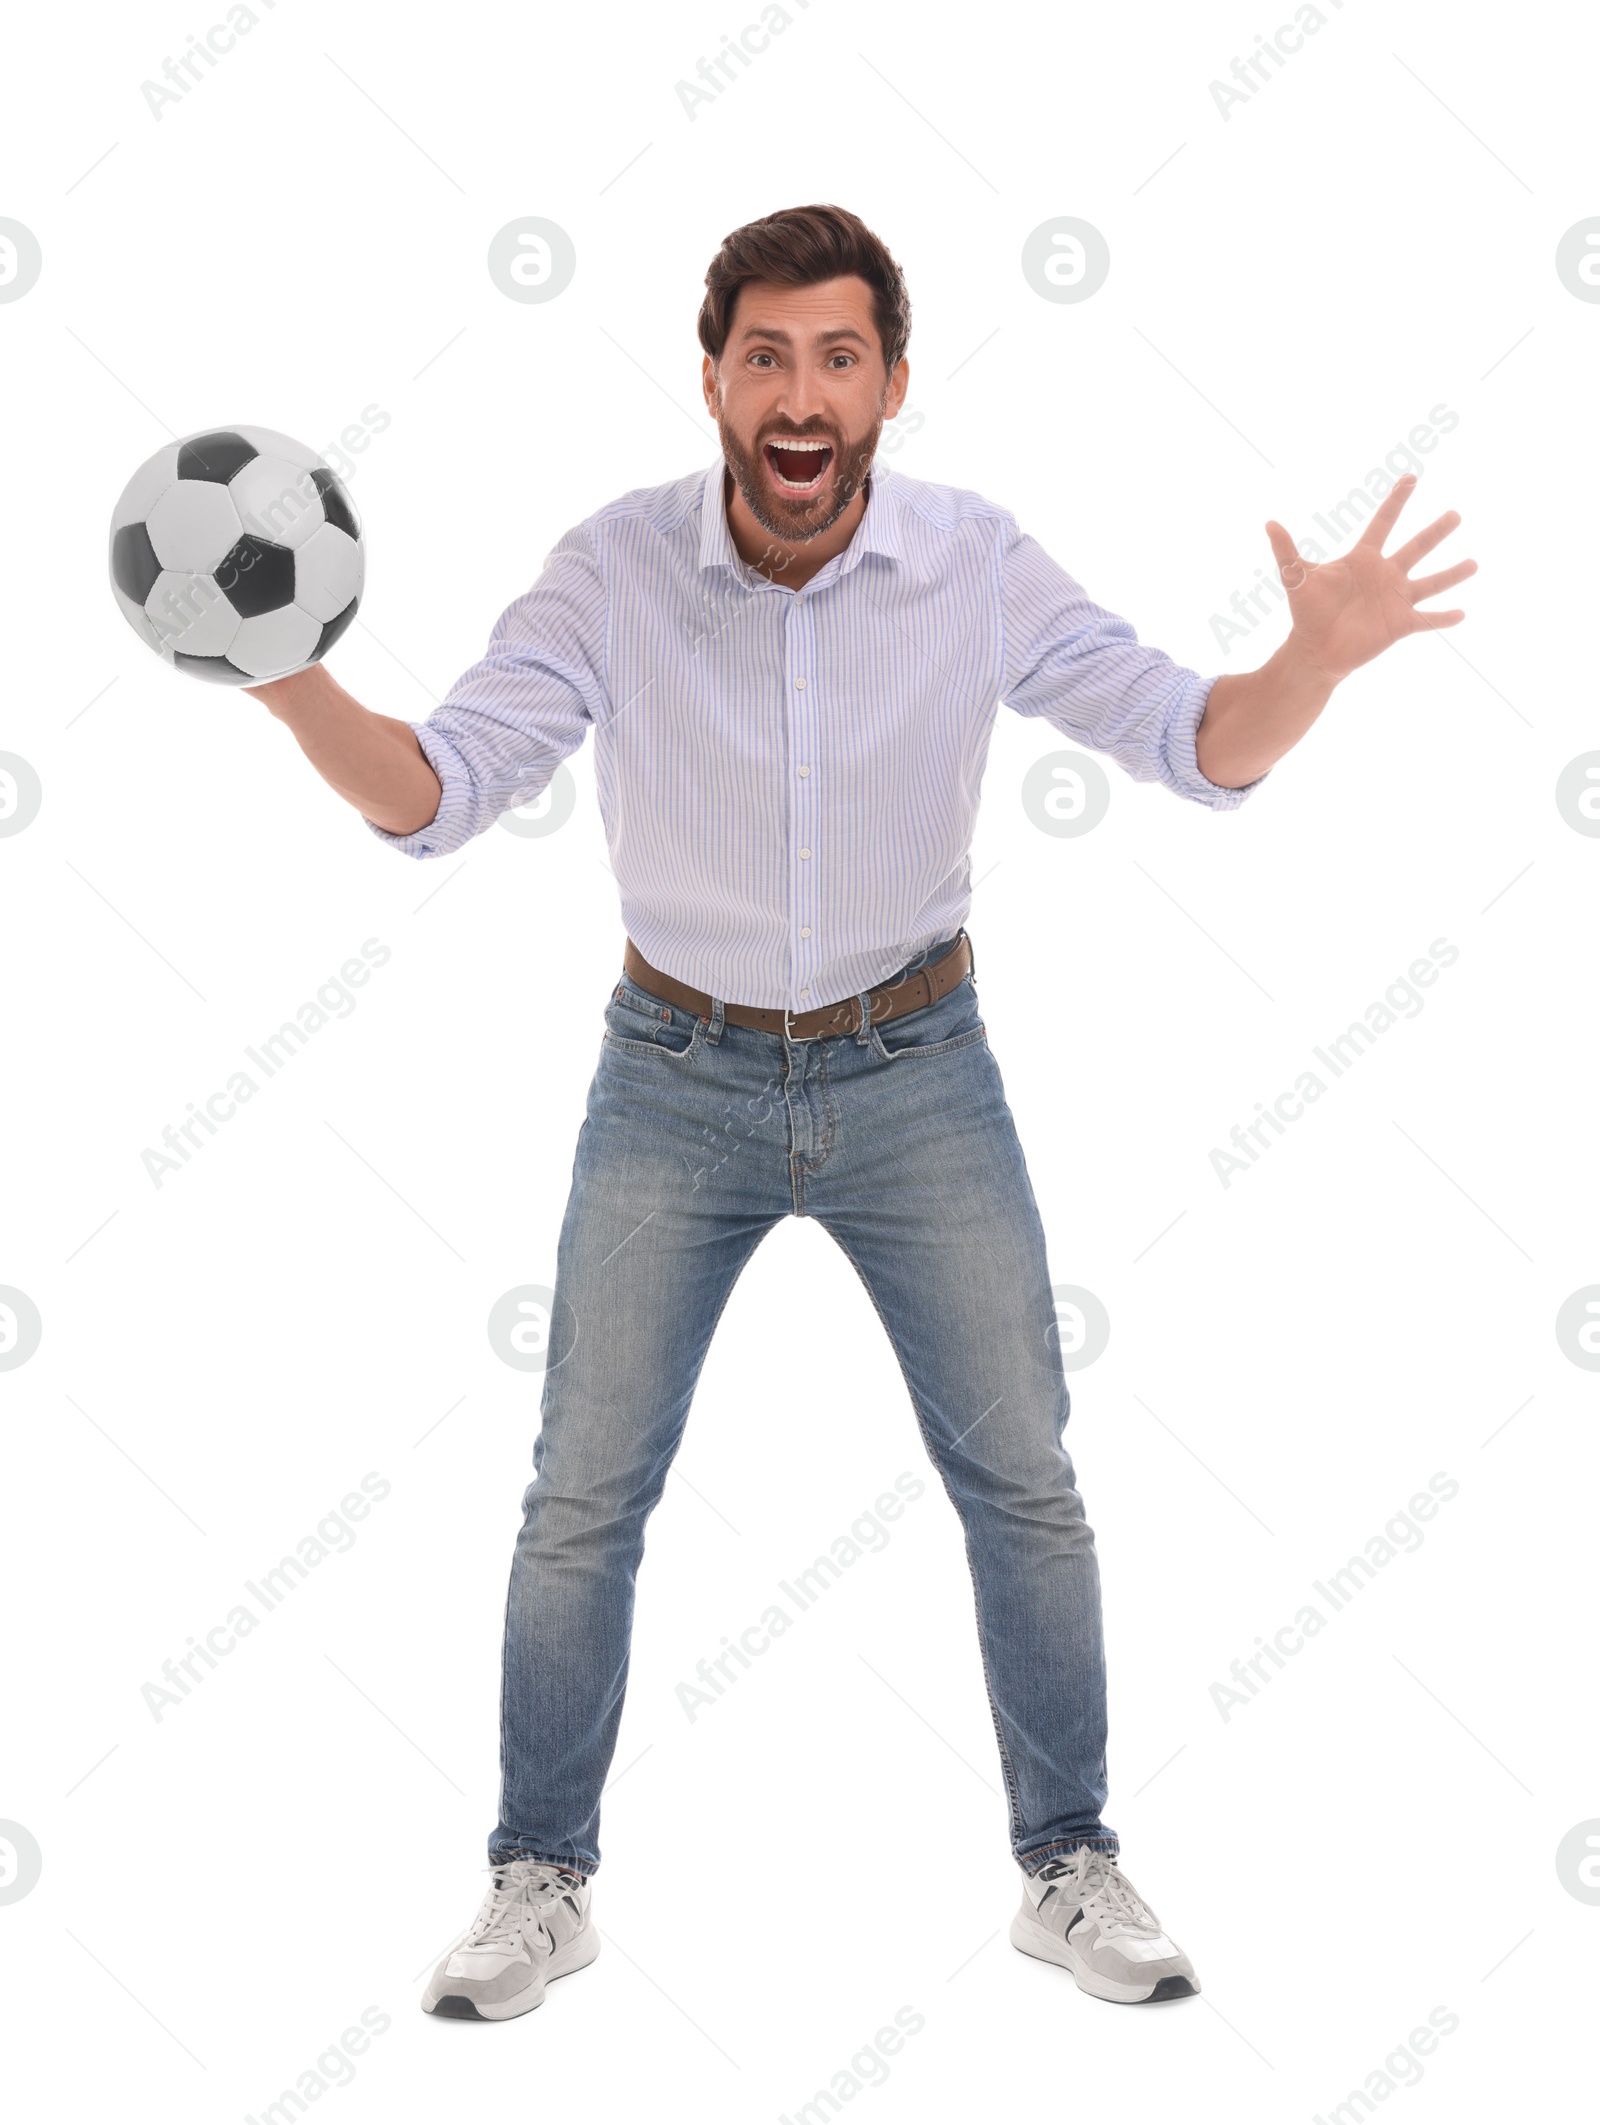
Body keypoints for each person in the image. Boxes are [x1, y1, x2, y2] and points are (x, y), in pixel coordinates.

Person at [245, 202, 1474, 2019]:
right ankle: (541, 1874)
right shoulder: (608, 570)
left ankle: (1068, 1860)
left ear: (893, 382)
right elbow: (436, 793)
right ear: (718, 380)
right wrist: (286, 674)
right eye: (766, 357)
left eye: (839, 356)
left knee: (1025, 1480)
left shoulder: (973, 562)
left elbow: (1189, 743)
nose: (800, 394)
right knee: (582, 1489)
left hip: (921, 1071)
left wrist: (1312, 665)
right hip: (672, 1074)